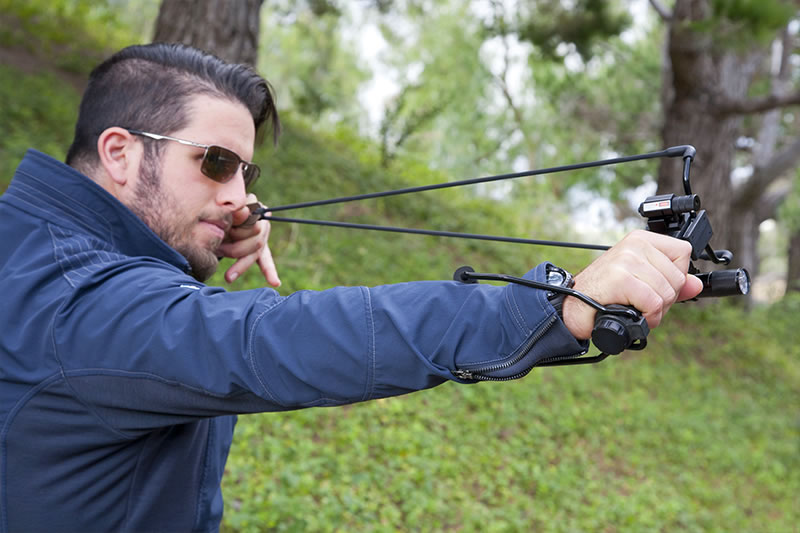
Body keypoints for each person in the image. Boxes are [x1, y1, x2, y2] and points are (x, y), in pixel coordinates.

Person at [0, 43, 702, 532]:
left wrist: (182, 246)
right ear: (120, 152)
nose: (239, 197)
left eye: (246, 172)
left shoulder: (30, 243)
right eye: (214, 163)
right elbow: (272, 341)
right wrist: (555, 305)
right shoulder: (83, 306)